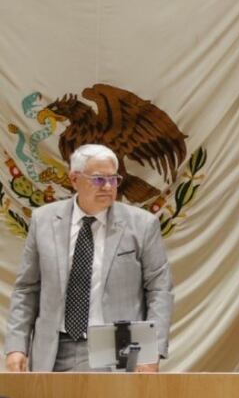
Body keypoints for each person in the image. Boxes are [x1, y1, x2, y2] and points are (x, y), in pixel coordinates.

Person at [4, 143, 173, 372]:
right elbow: (27, 288)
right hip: (54, 347)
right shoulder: (43, 220)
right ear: (74, 179)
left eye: (113, 179)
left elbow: (160, 290)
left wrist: (151, 350)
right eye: (98, 179)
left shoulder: (142, 225)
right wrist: (17, 346)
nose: (108, 186)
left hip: (117, 345)